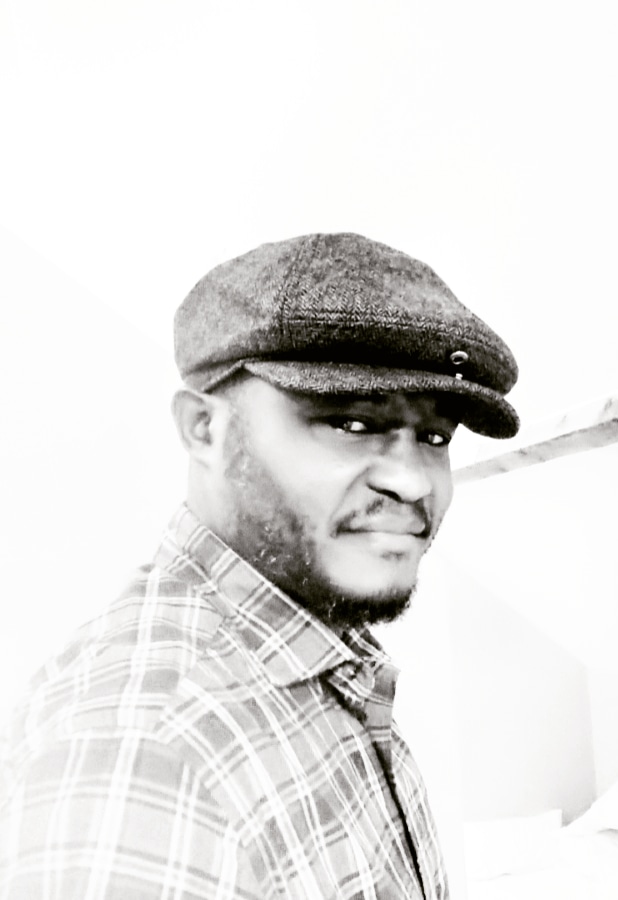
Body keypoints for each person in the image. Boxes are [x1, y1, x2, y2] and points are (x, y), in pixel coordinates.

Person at [0, 233, 519, 899]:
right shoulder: (147, 754)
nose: (414, 481)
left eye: (435, 437)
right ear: (204, 429)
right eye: (352, 424)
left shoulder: (325, 641)